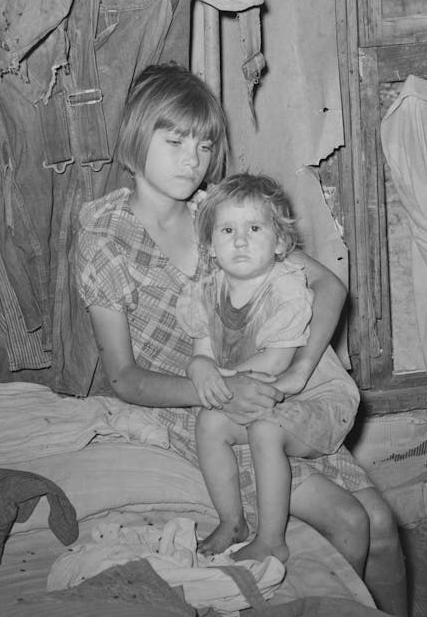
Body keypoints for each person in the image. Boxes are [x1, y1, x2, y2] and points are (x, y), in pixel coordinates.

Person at [73, 63, 408, 615]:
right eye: (175, 141)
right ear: (134, 141)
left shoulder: (220, 212)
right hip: (195, 409)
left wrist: (299, 370)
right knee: (353, 521)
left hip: (273, 388)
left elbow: (327, 283)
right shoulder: (105, 241)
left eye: (204, 146)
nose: (193, 159)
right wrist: (222, 389)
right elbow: (124, 378)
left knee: (385, 527)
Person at [176, 173, 360, 565]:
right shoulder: (206, 291)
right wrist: (198, 366)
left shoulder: (286, 288)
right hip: (265, 393)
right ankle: (232, 522)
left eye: (254, 228)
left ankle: (271, 538)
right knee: (208, 424)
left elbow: (276, 363)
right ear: (210, 245)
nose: (240, 240)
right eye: (227, 230)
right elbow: (203, 351)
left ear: (279, 243)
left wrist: (214, 375)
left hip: (317, 398)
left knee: (266, 429)